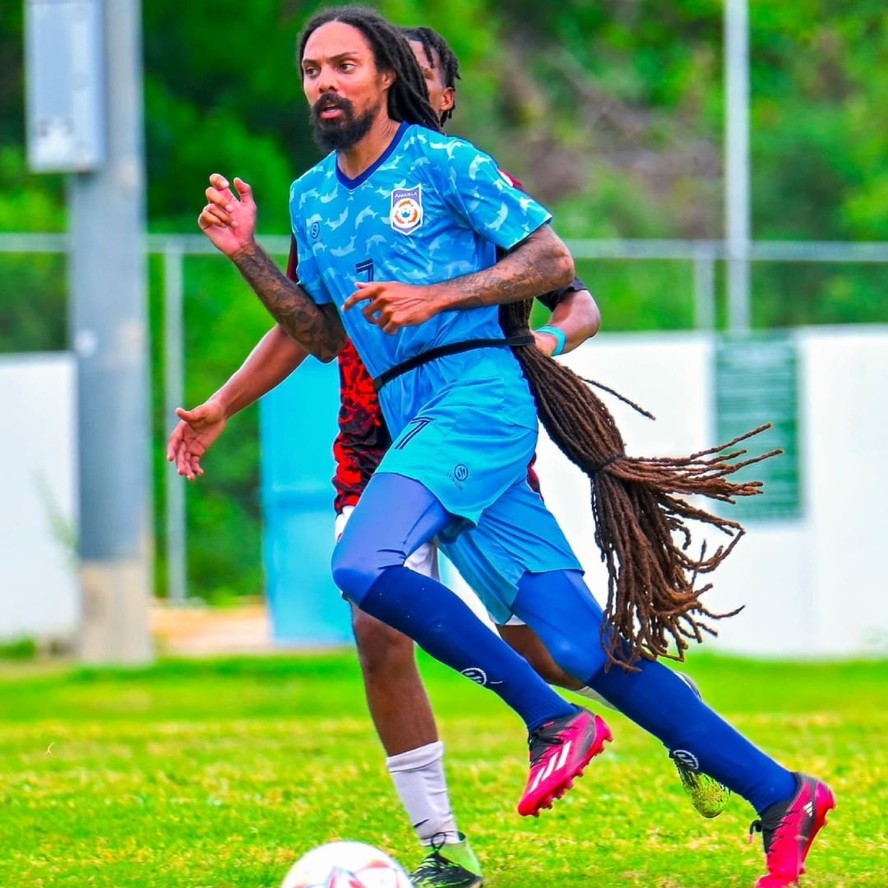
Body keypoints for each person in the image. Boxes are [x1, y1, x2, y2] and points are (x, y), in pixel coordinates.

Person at [194, 8, 834, 886]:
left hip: (477, 396)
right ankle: (780, 792)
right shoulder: (311, 197)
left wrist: (438, 298)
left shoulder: (446, 163)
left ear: (386, 77)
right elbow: (315, 330)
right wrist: (245, 258)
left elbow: (552, 263)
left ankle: (549, 723)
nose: (324, 84)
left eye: (344, 66)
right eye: (311, 70)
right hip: (412, 409)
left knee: (361, 564)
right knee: (576, 647)